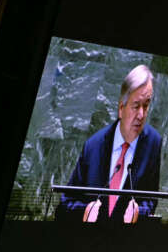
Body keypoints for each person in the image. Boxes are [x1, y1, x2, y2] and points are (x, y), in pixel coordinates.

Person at [61, 64, 161, 224]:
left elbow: (151, 199)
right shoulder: (93, 145)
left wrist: (138, 213)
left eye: (146, 105)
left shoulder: (153, 143)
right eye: (136, 106)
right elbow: (66, 202)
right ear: (121, 108)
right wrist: (85, 210)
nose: (141, 115)